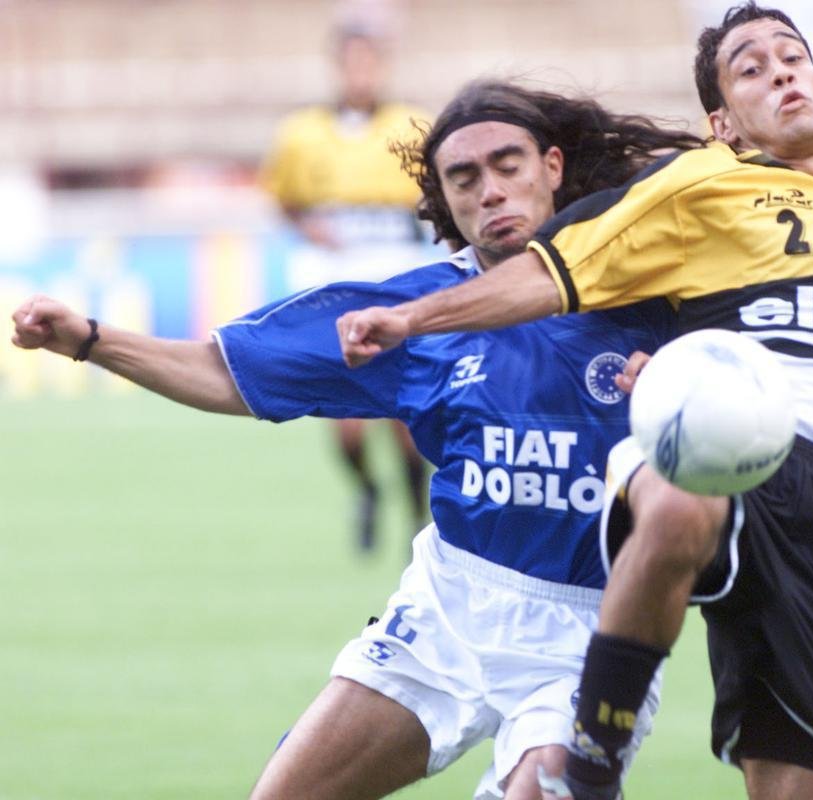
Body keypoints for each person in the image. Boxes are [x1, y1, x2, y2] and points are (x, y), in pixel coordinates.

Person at [334, 3, 813, 799]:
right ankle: (588, 765)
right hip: (721, 449)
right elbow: (546, 272)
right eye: (750, 68)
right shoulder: (696, 187)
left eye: (791, 56)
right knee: (686, 495)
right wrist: (413, 318)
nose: (780, 71)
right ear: (721, 122)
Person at [11, 80, 704, 800]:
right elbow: (227, 374)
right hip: (450, 610)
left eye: (508, 165)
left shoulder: (653, 298)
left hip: (589, 632)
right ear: (443, 201)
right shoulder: (410, 313)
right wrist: (89, 340)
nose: (490, 190)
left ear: (552, 168)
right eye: (464, 178)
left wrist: (685, 385)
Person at [261, 24, 433, 553]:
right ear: (337, 67)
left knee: (403, 418)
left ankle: (415, 515)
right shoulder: (302, 132)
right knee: (348, 427)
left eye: (369, 63)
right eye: (351, 63)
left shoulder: (414, 126)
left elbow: (438, 196)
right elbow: (284, 199)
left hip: (396, 287)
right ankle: (366, 490)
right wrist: (309, 227)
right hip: (336, 290)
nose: (361, 74)